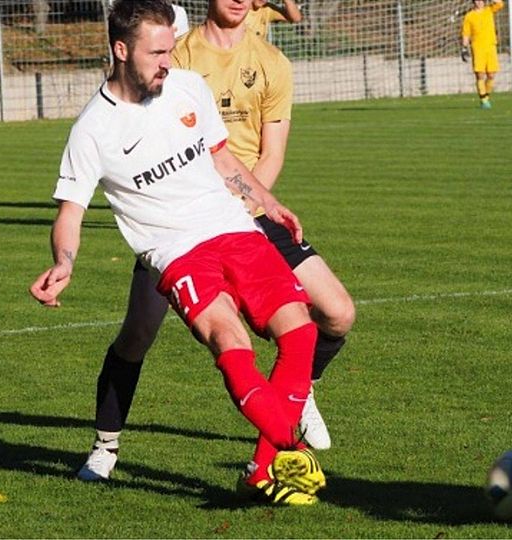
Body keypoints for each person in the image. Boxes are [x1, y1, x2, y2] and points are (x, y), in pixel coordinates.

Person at [30, 0, 325, 506]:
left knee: (301, 331)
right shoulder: (93, 129)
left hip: (234, 228)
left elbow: (222, 158)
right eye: (157, 53)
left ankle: (264, 469)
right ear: (121, 50)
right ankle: (290, 452)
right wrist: (64, 262)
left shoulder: (188, 88)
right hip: (177, 250)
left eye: (170, 50)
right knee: (228, 338)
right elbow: (70, 213)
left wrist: (268, 201)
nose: (168, 62)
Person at [461, 0, 503, 109]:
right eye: (477, 0)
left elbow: (500, 3)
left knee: (491, 75)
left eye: (481, 0)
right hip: (477, 48)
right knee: (480, 74)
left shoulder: (489, 10)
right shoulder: (469, 16)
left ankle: (486, 97)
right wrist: (464, 48)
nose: (479, 2)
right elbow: (466, 34)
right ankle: (483, 100)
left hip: (491, 46)